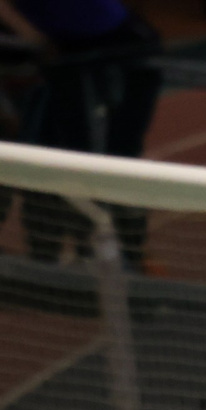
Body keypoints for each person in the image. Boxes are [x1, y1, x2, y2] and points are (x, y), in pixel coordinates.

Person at [0, 0, 160, 266]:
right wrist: (34, 38)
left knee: (114, 158)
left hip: (115, 48)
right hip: (66, 56)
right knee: (52, 162)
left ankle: (126, 253)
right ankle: (55, 258)